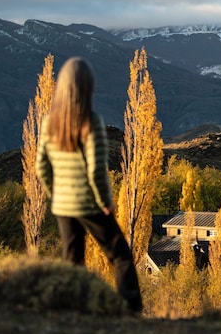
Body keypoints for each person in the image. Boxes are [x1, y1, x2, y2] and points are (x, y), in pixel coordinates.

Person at [36, 57, 143, 313]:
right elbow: (96, 169)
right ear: (88, 87)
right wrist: (105, 201)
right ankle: (130, 311)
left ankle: (70, 311)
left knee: (72, 260)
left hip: (63, 205)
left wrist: (56, 194)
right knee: (120, 255)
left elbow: (41, 166)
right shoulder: (90, 121)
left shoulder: (50, 122)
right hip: (88, 202)